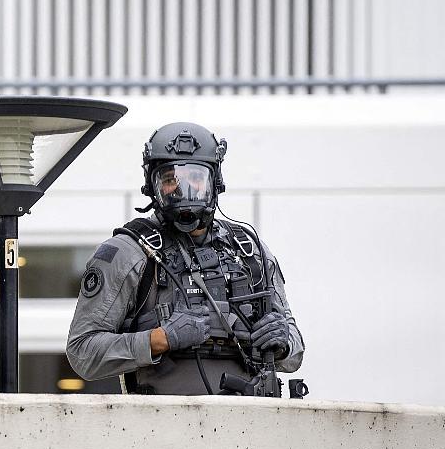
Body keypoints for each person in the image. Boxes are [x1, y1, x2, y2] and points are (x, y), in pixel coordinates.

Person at [66, 122, 304, 395]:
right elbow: (82, 351)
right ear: (152, 186)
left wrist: (283, 341)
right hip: (161, 428)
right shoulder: (128, 253)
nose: (183, 190)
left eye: (196, 178)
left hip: (248, 425)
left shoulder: (249, 250)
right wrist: (159, 339)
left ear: (215, 183)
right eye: (170, 179)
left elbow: (295, 351)